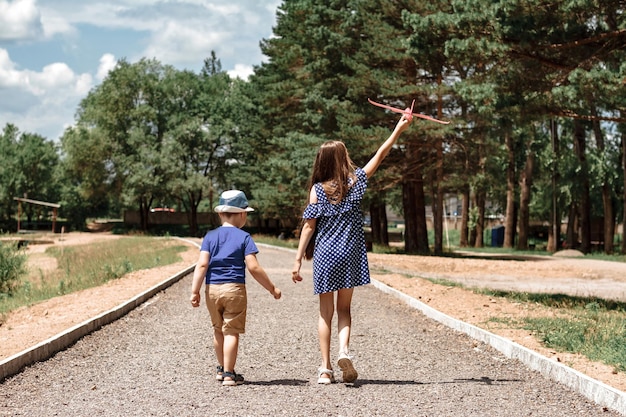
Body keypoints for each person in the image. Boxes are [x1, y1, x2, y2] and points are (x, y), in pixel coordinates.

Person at [292, 114, 412, 384]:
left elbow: (309, 227)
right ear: (342, 158)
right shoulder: (354, 182)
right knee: (344, 309)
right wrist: (398, 129)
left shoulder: (316, 190)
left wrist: (298, 259)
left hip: (325, 255)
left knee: (326, 312)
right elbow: (380, 154)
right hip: (350, 254)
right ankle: (344, 351)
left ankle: (325, 370)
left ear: (320, 162)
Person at [191, 190, 282, 386]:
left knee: (218, 329)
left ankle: (221, 368)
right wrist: (272, 288)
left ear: (220, 214)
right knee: (231, 330)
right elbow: (253, 267)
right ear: (241, 214)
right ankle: (229, 374)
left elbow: (202, 265)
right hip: (234, 289)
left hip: (212, 289)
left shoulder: (209, 236)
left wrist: (195, 290)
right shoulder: (244, 237)